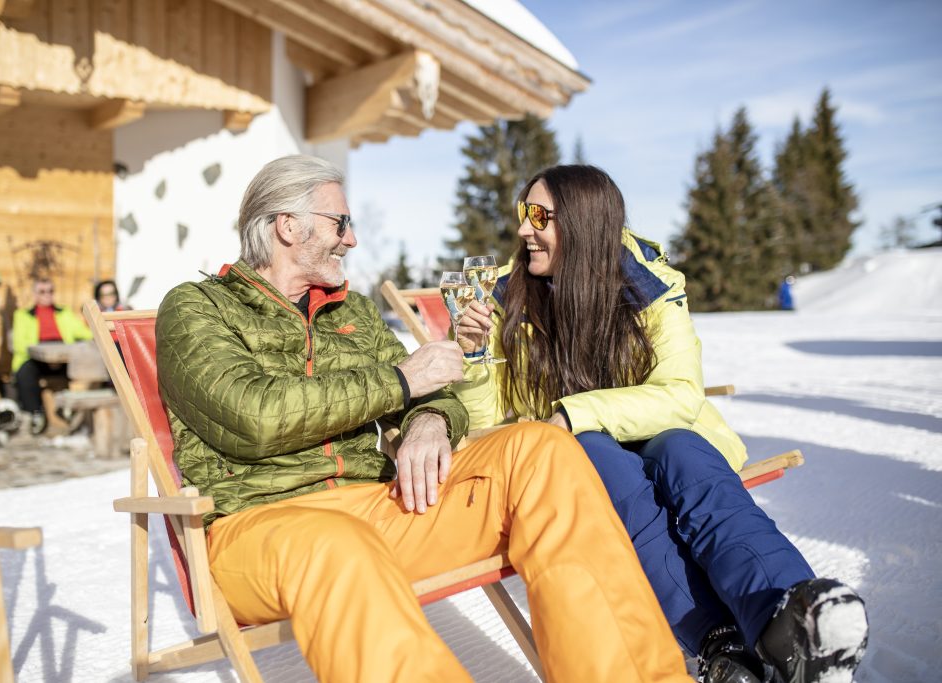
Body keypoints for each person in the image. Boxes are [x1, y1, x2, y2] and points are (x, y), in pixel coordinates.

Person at [155, 155, 693, 682]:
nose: (352, 239)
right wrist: (401, 381)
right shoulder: (198, 309)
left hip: (375, 509)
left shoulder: (354, 313)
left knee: (540, 449)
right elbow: (254, 415)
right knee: (334, 543)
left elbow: (434, 394)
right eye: (340, 223)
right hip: (258, 528)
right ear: (288, 225)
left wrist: (428, 420)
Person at [454, 164, 868, 683]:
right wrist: (472, 359)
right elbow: (483, 427)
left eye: (539, 215)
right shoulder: (503, 299)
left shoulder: (649, 285)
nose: (522, 229)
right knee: (603, 457)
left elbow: (678, 394)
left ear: (584, 223)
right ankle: (722, 647)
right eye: (523, 212)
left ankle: (792, 625)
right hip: (575, 461)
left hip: (660, 437)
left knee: (681, 451)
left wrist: (574, 412)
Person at [11, 277, 93, 434]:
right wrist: (44, 354)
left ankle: (74, 411)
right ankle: (35, 413)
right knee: (25, 372)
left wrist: (102, 332)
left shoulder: (64, 313)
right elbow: (19, 345)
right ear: (34, 294)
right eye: (42, 291)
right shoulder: (22, 315)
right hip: (35, 358)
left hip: (63, 357)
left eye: (50, 291)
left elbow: (82, 332)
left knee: (84, 366)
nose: (46, 295)